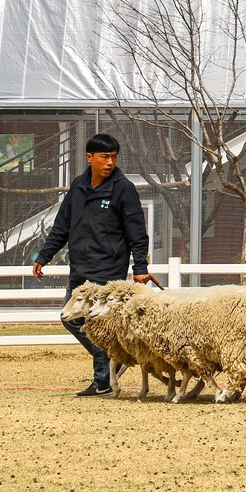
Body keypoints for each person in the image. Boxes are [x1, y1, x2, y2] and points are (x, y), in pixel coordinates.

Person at [31, 133, 151, 397]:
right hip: (80, 269)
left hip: (108, 270)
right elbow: (61, 226)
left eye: (114, 157)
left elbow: (137, 232)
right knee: (70, 319)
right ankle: (114, 359)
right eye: (104, 157)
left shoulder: (123, 188)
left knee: (96, 323)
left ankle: (103, 382)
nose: (110, 162)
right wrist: (44, 255)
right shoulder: (78, 186)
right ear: (90, 157)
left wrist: (140, 267)